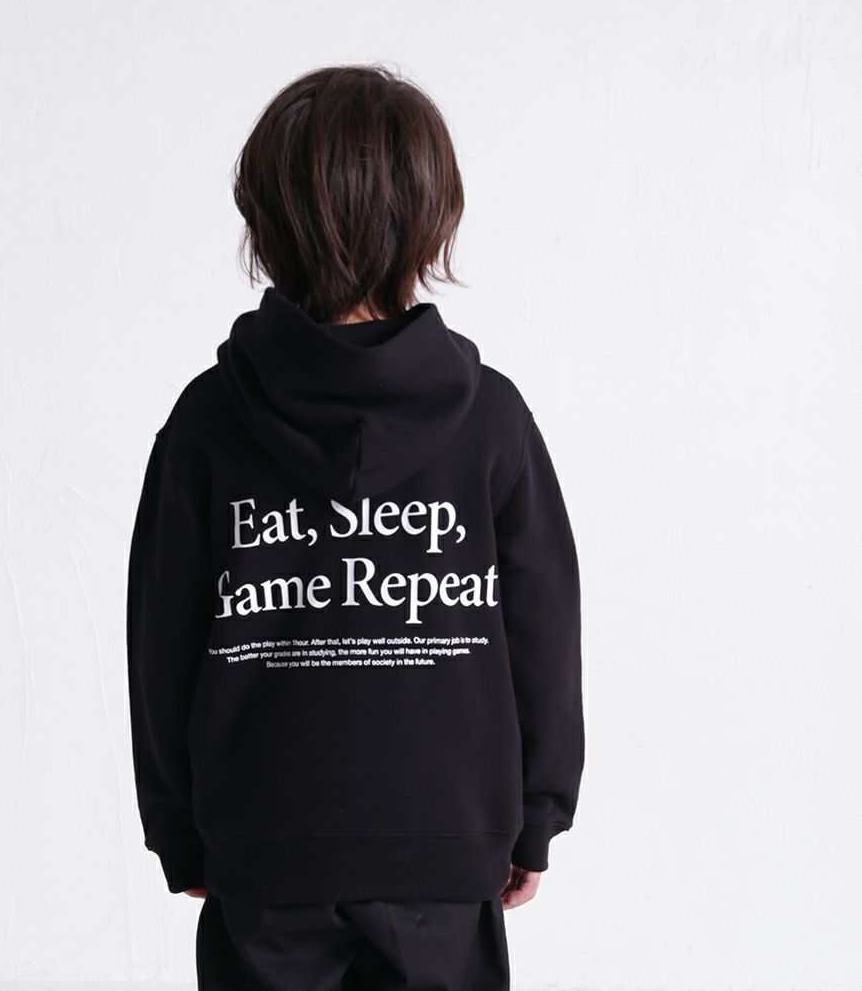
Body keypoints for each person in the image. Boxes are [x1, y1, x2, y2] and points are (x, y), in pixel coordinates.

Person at [126, 63, 584, 991]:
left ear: (264, 219)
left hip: (264, 853)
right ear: (432, 217)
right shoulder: (489, 420)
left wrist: (179, 829)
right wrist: (534, 816)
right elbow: (543, 631)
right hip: (446, 848)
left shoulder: (210, 420)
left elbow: (161, 644)